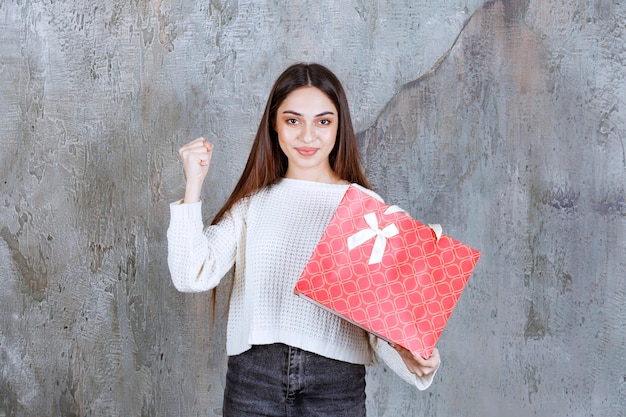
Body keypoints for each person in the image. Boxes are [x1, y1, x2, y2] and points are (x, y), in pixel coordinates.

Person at [167, 63, 440, 417]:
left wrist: (413, 355)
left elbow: (381, 319)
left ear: (339, 127)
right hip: (254, 379)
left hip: (335, 383)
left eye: (323, 121)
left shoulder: (367, 211)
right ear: (274, 125)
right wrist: (193, 184)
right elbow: (192, 274)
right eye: (293, 120)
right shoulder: (253, 204)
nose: (308, 136)